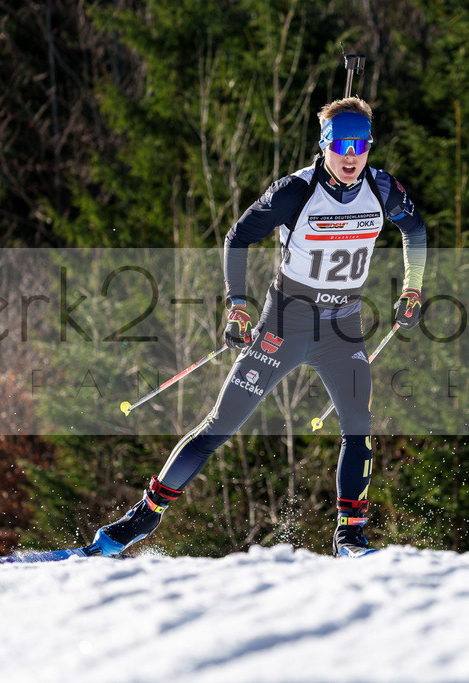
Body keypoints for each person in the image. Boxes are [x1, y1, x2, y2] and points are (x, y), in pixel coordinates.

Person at [85, 97, 427, 558]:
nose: (351, 157)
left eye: (360, 145)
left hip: (343, 325)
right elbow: (238, 237)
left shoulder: (382, 189)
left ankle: (351, 535)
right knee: (220, 424)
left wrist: (412, 288)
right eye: (341, 145)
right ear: (324, 145)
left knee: (358, 426)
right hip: (286, 324)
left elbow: (415, 230)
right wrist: (238, 308)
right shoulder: (294, 191)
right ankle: (142, 518)